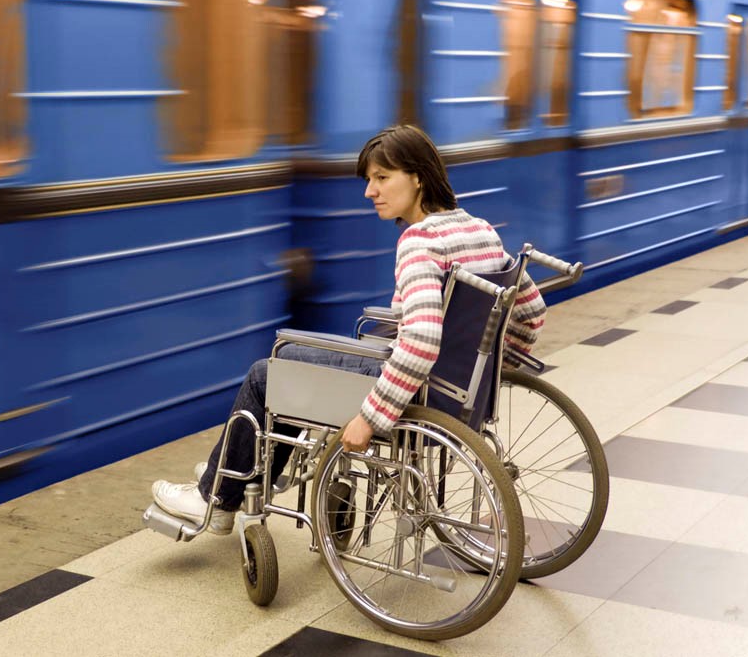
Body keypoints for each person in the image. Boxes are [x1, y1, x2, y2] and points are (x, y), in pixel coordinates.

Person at [151, 124, 547, 534]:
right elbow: (531, 312)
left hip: (410, 393)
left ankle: (213, 501)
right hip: (459, 395)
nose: (369, 192)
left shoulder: (419, 243)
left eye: (381, 178)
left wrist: (370, 418)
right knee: (292, 362)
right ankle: (239, 473)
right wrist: (479, 375)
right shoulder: (480, 229)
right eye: (368, 180)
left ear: (418, 177)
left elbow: (422, 341)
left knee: (268, 371)